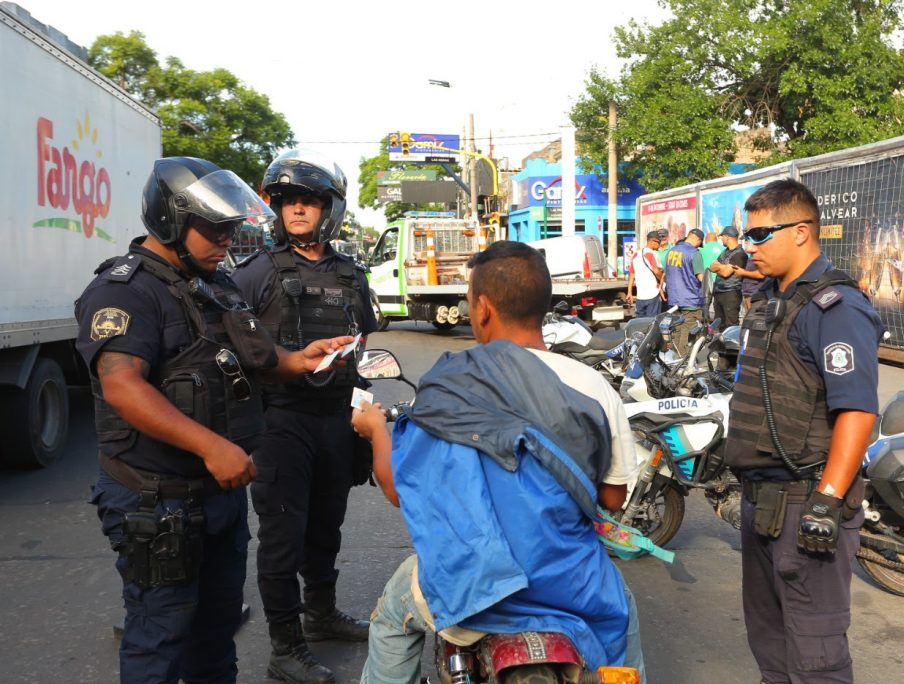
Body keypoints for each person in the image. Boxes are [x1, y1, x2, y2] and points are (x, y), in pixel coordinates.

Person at [76, 156, 354, 684]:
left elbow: (265, 360)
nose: (228, 237)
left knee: (216, 632)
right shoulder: (126, 290)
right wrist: (211, 446)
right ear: (170, 218)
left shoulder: (215, 285)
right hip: (157, 501)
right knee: (160, 636)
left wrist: (307, 357)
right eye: (215, 226)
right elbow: (122, 384)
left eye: (231, 226)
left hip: (217, 498)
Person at [352, 241, 644, 684]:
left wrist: (376, 431)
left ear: (483, 308)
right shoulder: (593, 387)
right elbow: (612, 496)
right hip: (572, 584)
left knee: (393, 618)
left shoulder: (449, 385)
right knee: (625, 624)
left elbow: (397, 491)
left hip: (467, 586)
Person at [724, 179, 883, 684]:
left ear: (800, 232)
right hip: (763, 501)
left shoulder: (835, 307)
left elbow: (857, 411)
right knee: (771, 646)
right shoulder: (772, 298)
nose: (750, 247)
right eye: (748, 236)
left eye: (760, 235)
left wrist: (827, 501)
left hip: (805, 502)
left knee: (816, 658)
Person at [232, 149, 378, 684]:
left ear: (329, 209)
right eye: (288, 200)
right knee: (282, 534)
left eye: (309, 201)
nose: (297, 209)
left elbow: (365, 339)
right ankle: (285, 647)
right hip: (280, 421)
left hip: (335, 417)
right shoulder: (254, 274)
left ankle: (320, 614)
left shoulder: (351, 275)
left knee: (325, 526)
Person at [663, 227, 706, 354]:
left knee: (676, 330)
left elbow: (667, 274)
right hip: (691, 300)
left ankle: (673, 359)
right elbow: (701, 277)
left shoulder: (671, 251)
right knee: (689, 333)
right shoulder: (694, 253)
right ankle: (684, 361)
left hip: (674, 300)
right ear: (698, 240)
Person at [707, 226, 748, 330]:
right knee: (718, 324)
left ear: (727, 237)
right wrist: (723, 266)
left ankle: (730, 346)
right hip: (718, 292)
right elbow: (712, 266)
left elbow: (726, 273)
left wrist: (720, 267)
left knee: (731, 325)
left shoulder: (740, 254)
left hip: (731, 293)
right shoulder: (724, 252)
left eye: (722, 237)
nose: (721, 239)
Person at [625, 229, 665, 317]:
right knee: (652, 322)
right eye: (658, 242)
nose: (660, 244)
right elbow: (656, 271)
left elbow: (631, 274)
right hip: (653, 294)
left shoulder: (636, 254)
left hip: (640, 296)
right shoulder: (651, 254)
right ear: (652, 241)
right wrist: (664, 280)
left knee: (640, 324)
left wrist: (629, 293)